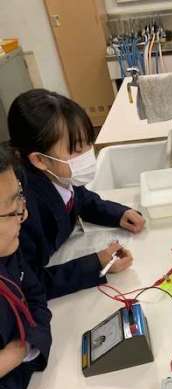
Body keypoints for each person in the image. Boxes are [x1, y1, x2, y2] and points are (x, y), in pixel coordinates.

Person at [7, 89, 144, 300]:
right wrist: (97, 264)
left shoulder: (57, 174)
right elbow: (27, 284)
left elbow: (80, 197)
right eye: (77, 150)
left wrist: (118, 214)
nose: (88, 154)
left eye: (89, 143)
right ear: (39, 160)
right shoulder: (20, 210)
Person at [0, 145, 52, 389]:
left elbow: (36, 298)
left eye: (20, 197)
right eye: (12, 211)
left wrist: (21, 351)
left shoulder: (7, 248)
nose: (24, 214)